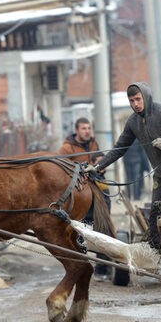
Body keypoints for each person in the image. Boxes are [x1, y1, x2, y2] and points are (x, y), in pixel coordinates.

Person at [88, 82, 161, 247]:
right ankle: (155, 249)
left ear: (146, 97)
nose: (135, 104)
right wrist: (97, 167)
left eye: (138, 99)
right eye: (131, 101)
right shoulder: (133, 122)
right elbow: (119, 149)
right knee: (155, 210)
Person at [59, 117, 111, 278]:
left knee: (102, 228)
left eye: (89, 128)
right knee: (80, 230)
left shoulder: (93, 144)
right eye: (83, 128)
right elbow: (61, 172)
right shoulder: (66, 149)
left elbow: (100, 162)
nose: (87, 131)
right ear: (77, 130)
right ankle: (81, 268)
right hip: (79, 195)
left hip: (98, 191)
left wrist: (99, 166)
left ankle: (103, 268)